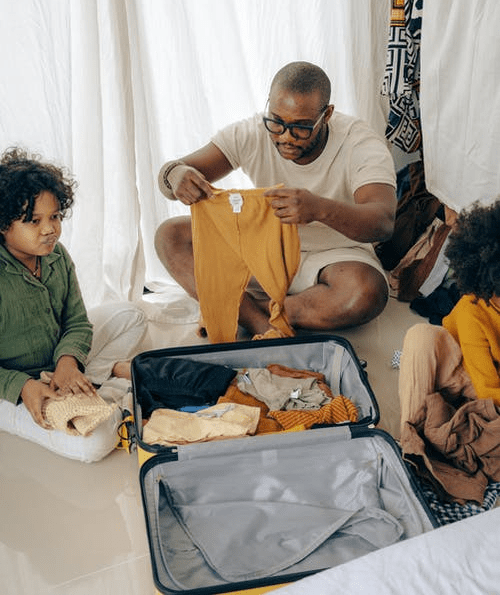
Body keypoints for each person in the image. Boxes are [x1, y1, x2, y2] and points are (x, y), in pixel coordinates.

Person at [155, 61, 397, 336]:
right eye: (276, 122)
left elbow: (383, 221)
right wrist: (176, 176)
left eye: (301, 128)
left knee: (366, 293)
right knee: (170, 236)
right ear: (269, 106)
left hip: (334, 257)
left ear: (327, 115)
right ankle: (262, 325)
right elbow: (170, 175)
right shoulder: (252, 133)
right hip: (264, 249)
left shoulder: (360, 143)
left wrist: (319, 209)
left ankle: (237, 308)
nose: (285, 137)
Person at [0, 147, 146, 451]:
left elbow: (77, 321)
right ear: (3, 225)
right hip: (17, 385)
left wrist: (67, 360)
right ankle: (100, 380)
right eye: (34, 221)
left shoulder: (56, 255)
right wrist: (22, 386)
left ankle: (84, 376)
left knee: (132, 315)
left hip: (57, 359)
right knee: (93, 445)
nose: (50, 229)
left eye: (54, 217)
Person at [399, 198, 500, 429]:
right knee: (416, 341)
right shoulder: (471, 313)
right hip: (467, 374)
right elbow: (487, 389)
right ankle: (412, 439)